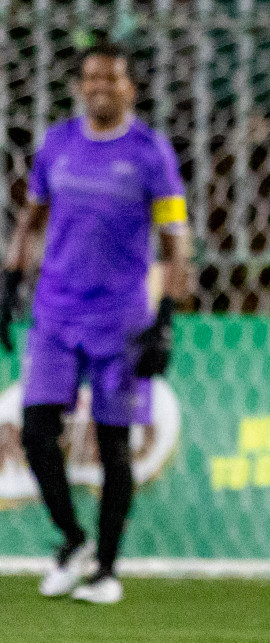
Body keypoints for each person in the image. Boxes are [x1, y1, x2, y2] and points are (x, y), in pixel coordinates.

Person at [0, 42, 192, 605]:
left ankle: (106, 571)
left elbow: (176, 241)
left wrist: (166, 318)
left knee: (114, 447)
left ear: (131, 88)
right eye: (89, 77)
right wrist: (10, 280)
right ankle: (72, 539)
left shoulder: (150, 153)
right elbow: (31, 220)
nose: (98, 86)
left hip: (121, 321)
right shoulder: (57, 144)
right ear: (79, 85)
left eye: (111, 78)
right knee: (36, 431)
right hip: (56, 315)